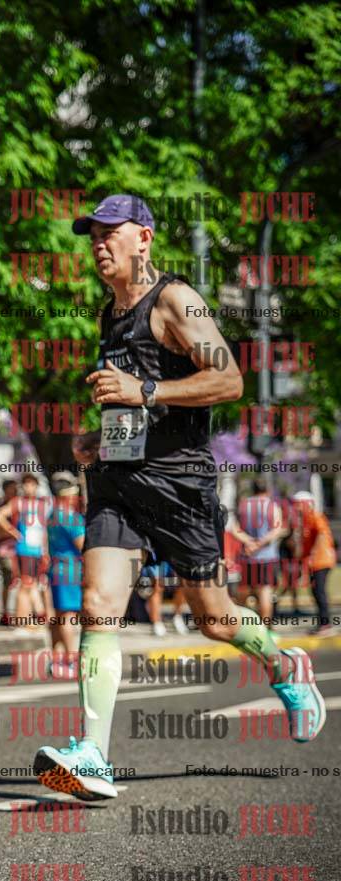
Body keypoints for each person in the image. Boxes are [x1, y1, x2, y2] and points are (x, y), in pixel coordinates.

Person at [33, 193, 326, 801]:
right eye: (93, 235)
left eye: (110, 232)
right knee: (98, 605)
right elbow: (136, 405)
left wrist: (142, 389)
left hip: (180, 485)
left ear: (144, 237)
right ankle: (93, 754)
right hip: (117, 483)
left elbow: (228, 379)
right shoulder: (109, 315)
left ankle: (283, 664)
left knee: (214, 618)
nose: (99, 244)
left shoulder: (175, 299)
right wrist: (98, 437)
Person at [0, 472, 49, 626]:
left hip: (38, 551)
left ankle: (34, 617)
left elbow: (44, 529)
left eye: (32, 483)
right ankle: (25, 620)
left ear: (37, 486)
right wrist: (13, 532)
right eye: (26, 484)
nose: (28, 487)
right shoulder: (18, 502)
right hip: (24, 550)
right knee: (26, 585)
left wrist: (45, 550)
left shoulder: (42, 505)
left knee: (33, 585)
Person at [231, 477, 286, 624]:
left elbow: (235, 529)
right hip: (267, 557)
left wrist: (249, 542)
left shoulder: (243, 505)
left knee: (244, 591)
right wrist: (260, 543)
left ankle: (242, 627)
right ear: (267, 490)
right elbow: (277, 529)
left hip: (247, 556)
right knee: (265, 591)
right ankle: (265, 628)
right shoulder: (272, 506)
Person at [46, 471, 85, 676]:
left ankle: (56, 660)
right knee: (69, 617)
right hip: (70, 571)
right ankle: (71, 660)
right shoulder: (70, 517)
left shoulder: (52, 515)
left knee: (59, 617)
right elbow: (83, 546)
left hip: (56, 570)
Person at [291, 491, 337, 636]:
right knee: (316, 592)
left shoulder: (315, 516)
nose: (295, 508)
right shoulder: (305, 520)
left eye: (297, 505)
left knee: (319, 591)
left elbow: (322, 534)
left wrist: (313, 554)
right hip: (314, 562)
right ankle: (323, 623)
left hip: (321, 561)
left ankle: (326, 624)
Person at [0, 479, 18, 620]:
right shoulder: (1, 507)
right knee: (8, 581)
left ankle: (20, 612)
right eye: (11, 489)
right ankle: (6, 612)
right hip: (6, 549)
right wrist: (14, 533)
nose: (13, 492)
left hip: (22, 549)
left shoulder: (20, 505)